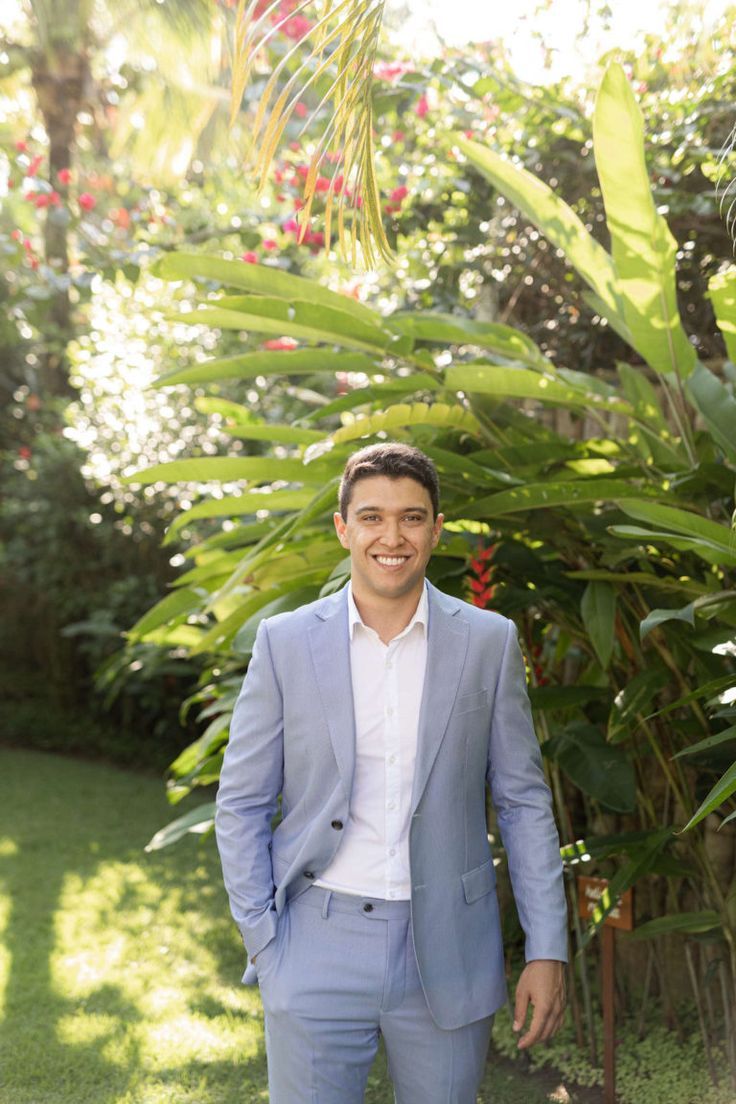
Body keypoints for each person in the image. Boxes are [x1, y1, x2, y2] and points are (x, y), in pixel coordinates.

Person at [215, 441, 568, 1104]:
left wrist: (547, 948)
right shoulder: (284, 641)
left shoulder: (489, 642)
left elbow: (523, 805)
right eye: (372, 517)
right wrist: (266, 943)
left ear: (436, 530)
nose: (392, 536)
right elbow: (240, 803)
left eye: (412, 517)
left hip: (449, 948)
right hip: (313, 940)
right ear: (344, 528)